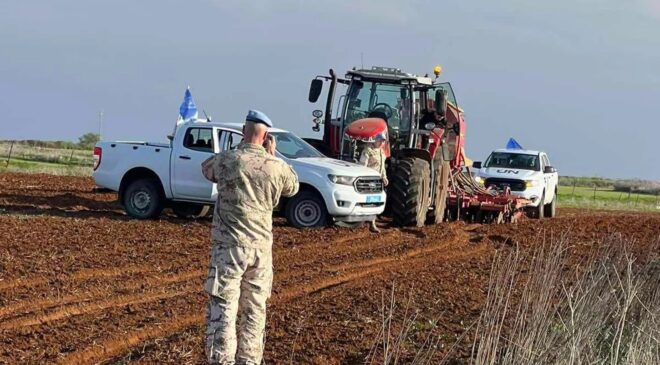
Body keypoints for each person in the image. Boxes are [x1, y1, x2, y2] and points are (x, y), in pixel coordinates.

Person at [201, 110, 299, 365]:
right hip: (260, 252)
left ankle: (222, 361)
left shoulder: (227, 160)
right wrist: (271, 156)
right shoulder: (276, 167)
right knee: (255, 312)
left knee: (223, 309)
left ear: (244, 132)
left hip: (229, 249)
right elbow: (293, 186)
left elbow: (207, 170)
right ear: (267, 136)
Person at [358, 131, 388, 233]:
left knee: (375, 202)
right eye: (380, 141)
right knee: (366, 201)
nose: (381, 143)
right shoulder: (368, 151)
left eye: (383, 141)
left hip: (378, 181)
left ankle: (372, 224)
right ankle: (360, 222)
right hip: (369, 180)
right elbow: (363, 166)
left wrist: (384, 177)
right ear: (375, 140)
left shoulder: (381, 152)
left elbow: (382, 167)